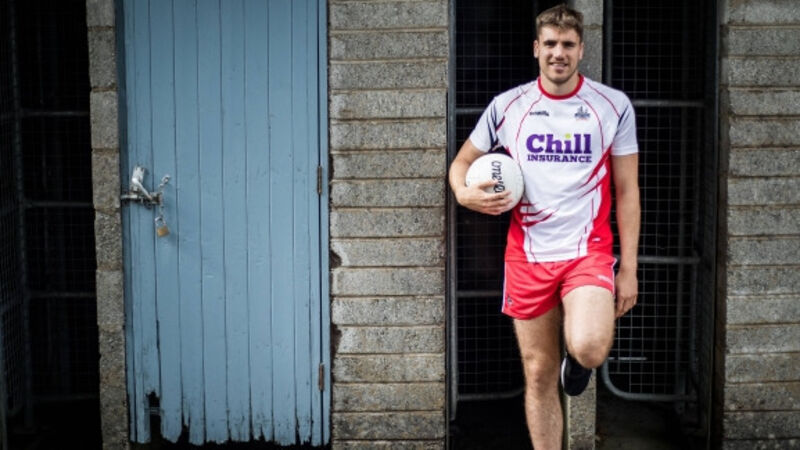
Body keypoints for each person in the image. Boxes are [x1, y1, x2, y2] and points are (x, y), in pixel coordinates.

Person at [448, 4, 640, 449]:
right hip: (528, 255)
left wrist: (628, 268)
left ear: (581, 50)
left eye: (568, 44)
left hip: (587, 251)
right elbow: (462, 163)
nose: (559, 53)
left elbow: (627, 190)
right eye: (550, 44)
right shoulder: (508, 106)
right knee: (538, 373)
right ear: (536, 48)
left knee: (590, 347)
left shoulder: (612, 106)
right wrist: (463, 193)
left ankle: (578, 361)